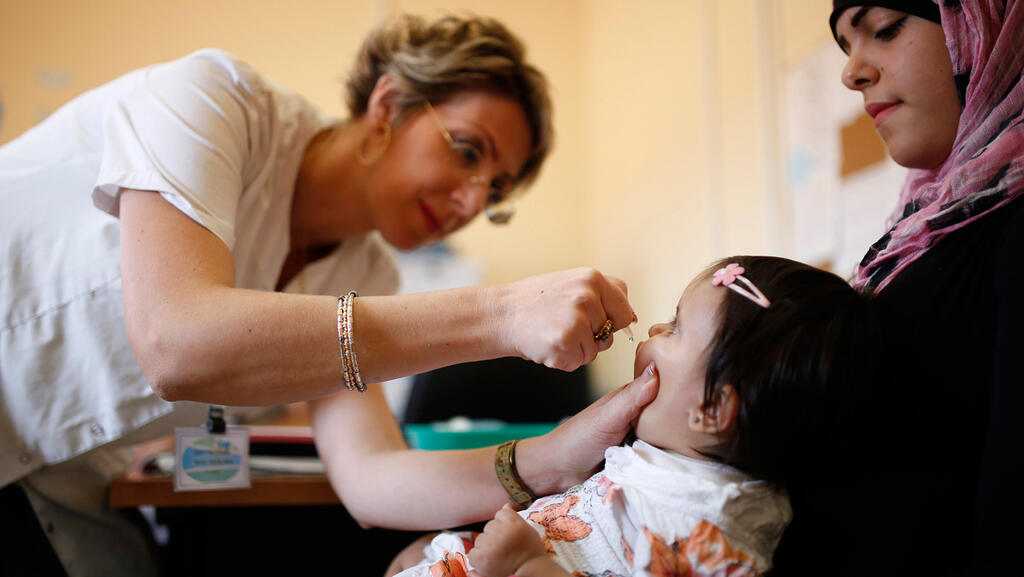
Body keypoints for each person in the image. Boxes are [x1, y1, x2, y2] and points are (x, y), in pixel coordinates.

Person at [0, 14, 655, 577]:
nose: (470, 201)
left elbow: (372, 478)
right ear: (389, 105)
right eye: (465, 152)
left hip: (60, 481)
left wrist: (556, 452)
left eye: (495, 193)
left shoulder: (368, 276)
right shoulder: (209, 100)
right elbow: (175, 341)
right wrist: (500, 312)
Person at [383, 256, 881, 577]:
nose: (657, 327)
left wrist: (529, 565)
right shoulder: (667, 465)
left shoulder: (707, 529)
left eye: (677, 328)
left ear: (711, 409)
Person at [771, 2, 1024, 575]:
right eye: (845, 46)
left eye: (883, 28)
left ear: (982, 25)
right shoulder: (921, 228)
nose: (852, 73)